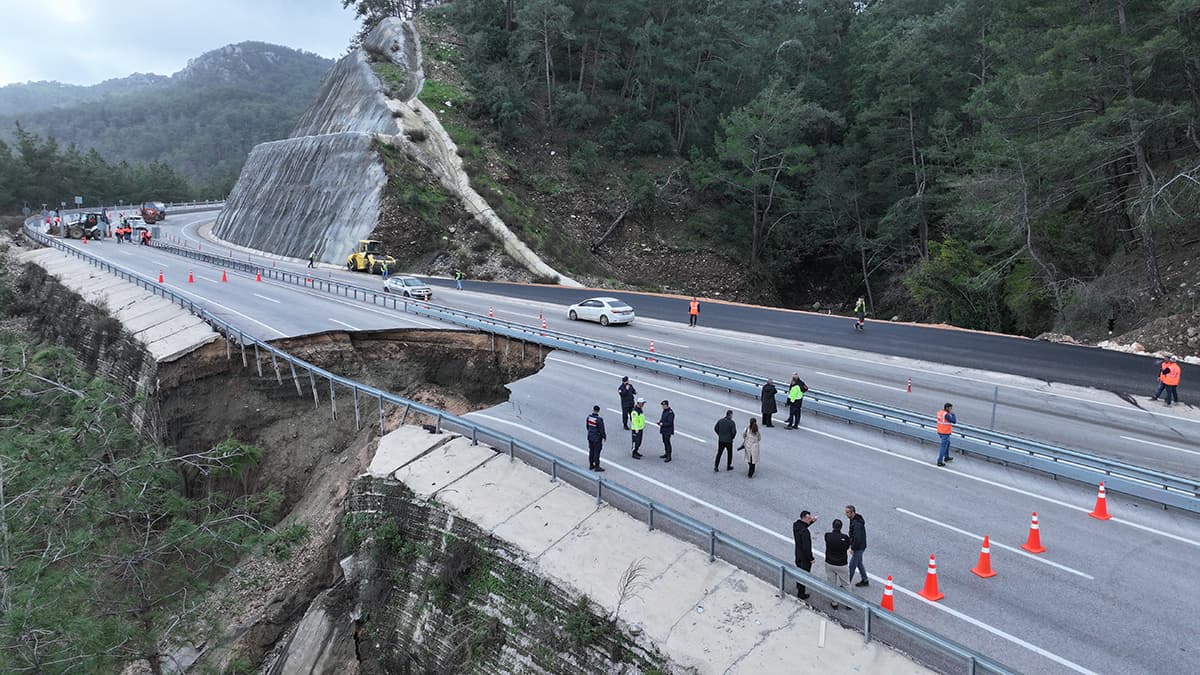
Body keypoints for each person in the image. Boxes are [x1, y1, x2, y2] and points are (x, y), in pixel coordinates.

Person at [824, 519, 852, 609]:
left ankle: (834, 602)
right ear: (841, 527)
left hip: (830, 563)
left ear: (832, 526)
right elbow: (847, 546)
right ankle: (849, 603)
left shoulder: (828, 536)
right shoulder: (845, 537)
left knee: (832, 584)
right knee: (846, 584)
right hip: (842, 564)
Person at [792, 510, 816, 599]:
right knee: (804, 574)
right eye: (809, 518)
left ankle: (798, 585)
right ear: (804, 518)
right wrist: (811, 558)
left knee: (799, 571)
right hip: (804, 558)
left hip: (797, 554)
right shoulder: (805, 532)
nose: (810, 519)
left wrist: (812, 521)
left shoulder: (796, 525)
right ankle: (801, 593)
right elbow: (807, 548)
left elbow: (804, 525)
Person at [845, 505, 868, 587]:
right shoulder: (854, 519)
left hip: (858, 547)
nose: (846, 514)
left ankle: (846, 584)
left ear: (852, 512)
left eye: (847, 512)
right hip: (861, 545)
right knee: (859, 563)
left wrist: (853, 548)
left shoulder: (856, 523)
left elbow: (857, 538)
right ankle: (865, 579)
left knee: (852, 566)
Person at [586, 405, 607, 472]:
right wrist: (604, 436)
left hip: (590, 436)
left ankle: (591, 464)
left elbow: (587, 427)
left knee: (591, 450)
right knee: (597, 452)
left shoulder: (589, 417)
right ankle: (597, 466)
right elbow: (601, 430)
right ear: (598, 411)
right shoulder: (599, 419)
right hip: (597, 438)